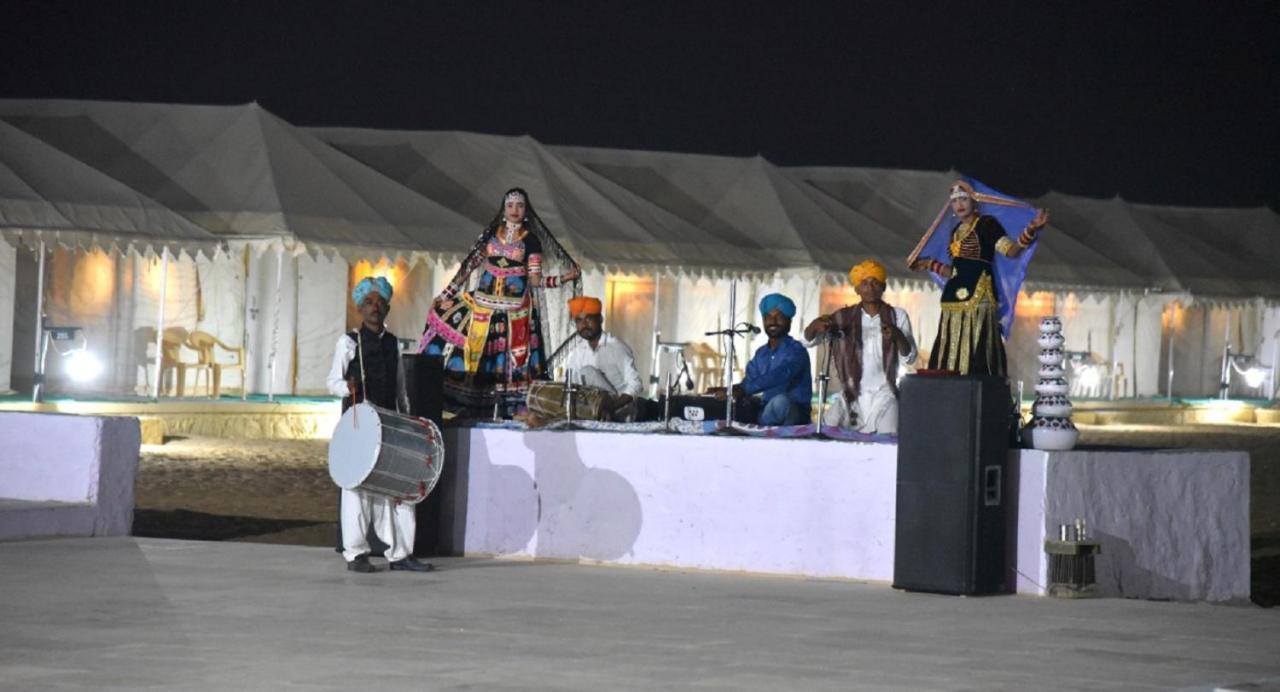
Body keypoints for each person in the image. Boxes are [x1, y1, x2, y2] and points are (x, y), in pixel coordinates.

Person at [419, 188, 581, 410]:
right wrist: (445, 295)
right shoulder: (491, 234)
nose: (515, 210)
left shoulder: (531, 240)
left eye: (520, 206)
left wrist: (564, 278)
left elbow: (535, 280)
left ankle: (506, 412)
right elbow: (468, 267)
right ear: (504, 209)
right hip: (482, 305)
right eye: (511, 205)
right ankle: (459, 404)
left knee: (511, 363)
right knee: (461, 340)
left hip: (515, 312)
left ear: (526, 211)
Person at [326, 276, 433, 574]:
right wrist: (348, 388)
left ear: (387, 307)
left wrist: (407, 420)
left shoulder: (393, 343)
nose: (375, 308)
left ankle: (400, 554)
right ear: (360, 307)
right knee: (357, 490)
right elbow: (332, 382)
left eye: (380, 302)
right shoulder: (348, 342)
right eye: (369, 303)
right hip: (358, 425)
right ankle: (356, 554)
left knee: (396, 488)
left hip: (388, 424)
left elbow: (400, 388)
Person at [909, 180, 1048, 376]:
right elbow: (957, 270)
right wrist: (929, 264)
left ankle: (975, 387)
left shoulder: (987, 224)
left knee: (977, 343)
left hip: (979, 296)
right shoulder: (956, 231)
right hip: (953, 298)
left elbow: (1011, 251)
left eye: (964, 199)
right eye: (955, 200)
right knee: (950, 342)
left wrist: (1031, 229)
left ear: (974, 200)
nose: (959, 204)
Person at [805, 259, 917, 434]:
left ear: (883, 286)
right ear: (857, 289)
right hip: (850, 393)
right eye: (864, 283)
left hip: (884, 394)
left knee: (889, 436)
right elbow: (809, 341)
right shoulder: (842, 317)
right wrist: (813, 326)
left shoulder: (897, 316)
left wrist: (898, 336)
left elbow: (909, 356)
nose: (870, 287)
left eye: (875, 282)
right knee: (824, 432)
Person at [729, 293, 812, 426]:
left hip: (794, 413)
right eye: (768, 317)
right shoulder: (761, 353)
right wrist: (728, 390)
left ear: (789, 321)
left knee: (781, 402)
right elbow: (748, 382)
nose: (773, 321)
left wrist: (745, 389)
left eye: (779, 316)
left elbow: (781, 374)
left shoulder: (797, 350)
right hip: (766, 413)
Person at [560, 296, 644, 421]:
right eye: (579, 321)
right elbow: (570, 385)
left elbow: (636, 385)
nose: (584, 325)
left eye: (588, 319)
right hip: (595, 413)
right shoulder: (578, 352)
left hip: (621, 413)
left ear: (600, 319)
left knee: (587, 372)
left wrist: (611, 408)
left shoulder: (616, 347)